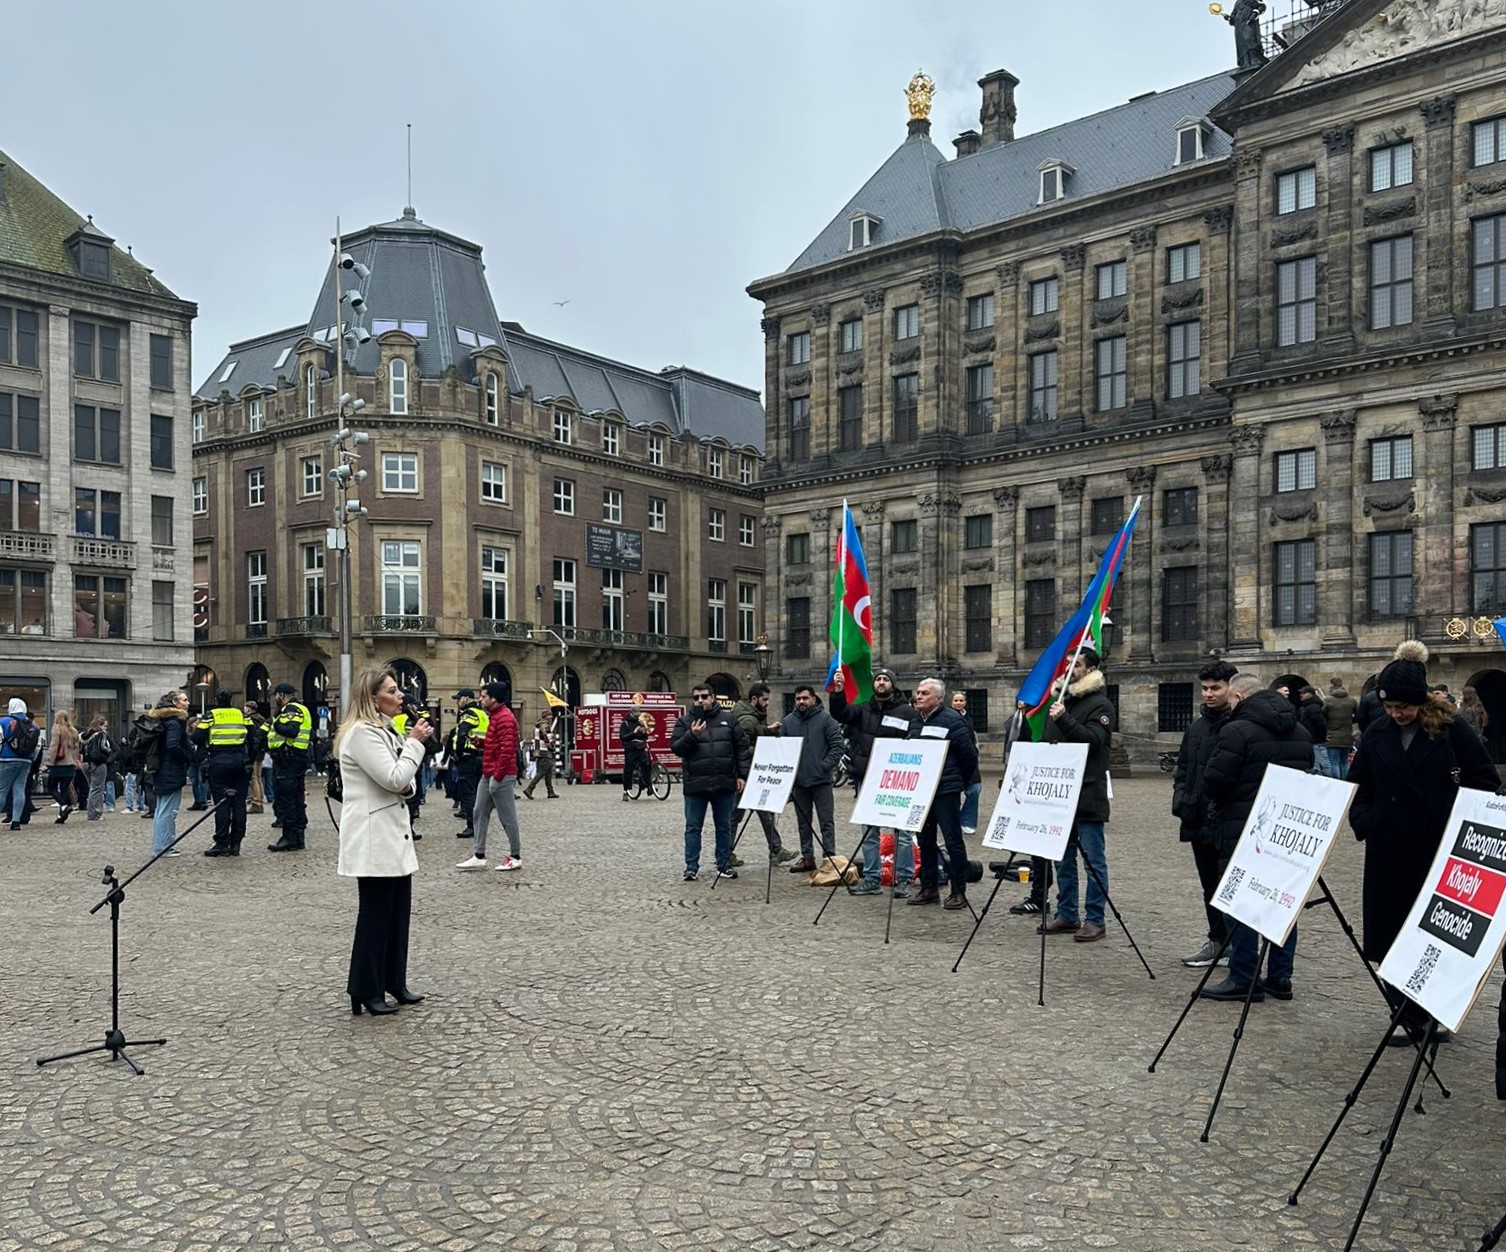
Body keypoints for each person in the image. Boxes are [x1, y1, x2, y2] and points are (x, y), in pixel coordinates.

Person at [1348, 641, 1500, 1041]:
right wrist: (1366, 820)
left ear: (1420, 701)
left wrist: (1461, 828)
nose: (1396, 714)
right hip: (1387, 849)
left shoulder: (1453, 731)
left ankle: (1432, 1013)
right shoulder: (1377, 732)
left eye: (1403, 707)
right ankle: (1403, 1010)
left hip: (1437, 852)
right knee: (1392, 933)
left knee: (1434, 936)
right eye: (1389, 707)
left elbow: (1485, 783)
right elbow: (1358, 786)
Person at [1198, 674, 1313, 1002]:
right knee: (1282, 900)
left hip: (1244, 827)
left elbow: (1215, 781)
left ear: (1237, 696)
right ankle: (1280, 975)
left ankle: (1243, 976)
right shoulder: (1301, 732)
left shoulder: (1236, 730)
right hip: (1284, 831)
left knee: (1241, 902)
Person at [336, 666, 434, 1016]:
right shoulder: (362, 733)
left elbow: (404, 783)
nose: (400, 696)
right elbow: (395, 778)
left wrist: (405, 770)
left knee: (397, 914)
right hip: (373, 835)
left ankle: (394, 980)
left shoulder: (384, 730)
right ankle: (365, 987)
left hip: (392, 833)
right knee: (376, 915)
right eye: (392, 691)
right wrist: (414, 745)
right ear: (372, 697)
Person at [1036, 650, 1116, 940]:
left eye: (1077, 664)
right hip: (1059, 797)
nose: (1070, 667)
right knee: (1062, 859)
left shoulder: (1101, 704)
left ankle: (1095, 918)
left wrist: (1065, 720)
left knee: (1093, 860)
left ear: (1091, 669)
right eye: (1068, 662)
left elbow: (1094, 742)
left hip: (1087, 793)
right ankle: (1067, 913)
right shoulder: (1059, 702)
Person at [1171, 660, 1238, 968]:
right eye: (1205, 688)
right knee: (1209, 884)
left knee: (1231, 887)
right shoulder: (1196, 726)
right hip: (1197, 816)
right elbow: (1183, 767)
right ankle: (1217, 939)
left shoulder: (1239, 725)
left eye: (1216, 688)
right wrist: (1181, 800)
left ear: (1231, 688)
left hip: (1227, 819)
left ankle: (1238, 946)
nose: (1209, 694)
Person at [831, 666, 919, 893]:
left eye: (885, 680)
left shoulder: (907, 712)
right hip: (867, 777)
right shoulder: (862, 710)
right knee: (870, 831)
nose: (881, 682)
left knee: (902, 832)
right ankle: (871, 878)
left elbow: (916, 741)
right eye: (878, 679)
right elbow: (840, 713)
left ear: (893, 684)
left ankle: (904, 879)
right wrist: (838, 691)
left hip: (896, 780)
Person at [905, 676, 979, 911]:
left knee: (952, 840)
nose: (919, 696)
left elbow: (969, 757)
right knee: (925, 840)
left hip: (945, 790)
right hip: (922, 791)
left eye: (925, 693)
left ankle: (958, 891)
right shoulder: (915, 720)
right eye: (918, 692)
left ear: (938, 698)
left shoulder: (952, 720)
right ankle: (929, 887)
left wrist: (958, 782)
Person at [671, 683, 750, 882]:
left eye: (704, 696)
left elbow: (741, 747)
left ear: (713, 697)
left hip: (723, 783)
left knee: (724, 826)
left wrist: (742, 775)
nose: (700, 701)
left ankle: (723, 864)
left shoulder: (729, 720)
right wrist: (692, 735)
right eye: (696, 697)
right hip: (695, 784)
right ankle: (691, 867)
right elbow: (677, 748)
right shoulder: (685, 721)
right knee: (693, 827)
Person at [456, 681, 522, 872]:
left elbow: (508, 751)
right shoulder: (495, 716)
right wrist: (482, 743)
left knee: (507, 817)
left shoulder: (505, 718)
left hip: (500, 774)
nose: (480, 699)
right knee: (478, 811)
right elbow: (499, 745)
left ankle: (515, 856)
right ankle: (479, 854)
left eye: (484, 696)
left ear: (494, 698)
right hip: (490, 772)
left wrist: (498, 777)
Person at [777, 685, 845, 870]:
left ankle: (829, 857)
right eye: (798, 698)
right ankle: (807, 857)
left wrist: (823, 766)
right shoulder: (788, 722)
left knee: (826, 822)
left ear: (813, 699)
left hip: (821, 781)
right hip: (799, 783)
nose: (801, 701)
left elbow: (838, 746)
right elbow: (782, 750)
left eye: (805, 698)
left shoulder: (826, 719)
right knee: (803, 823)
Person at [730, 683, 795, 864]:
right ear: (754, 699)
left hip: (749, 774)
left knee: (757, 814)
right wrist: (765, 747)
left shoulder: (751, 717)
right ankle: (727, 854)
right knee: (738, 815)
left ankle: (774, 849)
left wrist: (766, 731)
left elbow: (751, 737)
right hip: (746, 775)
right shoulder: (747, 720)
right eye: (764, 699)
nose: (767, 703)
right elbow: (741, 748)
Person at [194, 689, 250, 856]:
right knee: (239, 804)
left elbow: (196, 738)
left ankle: (222, 842)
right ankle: (236, 843)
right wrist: (250, 758)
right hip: (240, 761)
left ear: (217, 699)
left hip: (218, 761)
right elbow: (254, 737)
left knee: (222, 804)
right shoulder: (241, 714)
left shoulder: (211, 715)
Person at [148, 690, 195, 857]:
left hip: (164, 769)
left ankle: (163, 844)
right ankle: (162, 847)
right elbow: (173, 745)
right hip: (170, 770)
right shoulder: (174, 723)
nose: (188, 703)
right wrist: (187, 757)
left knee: (162, 809)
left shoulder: (165, 721)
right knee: (168, 810)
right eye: (184, 700)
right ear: (175, 703)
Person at [266, 682, 312, 852]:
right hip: (295, 758)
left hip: (288, 759)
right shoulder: (302, 708)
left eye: (275, 695)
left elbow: (291, 730)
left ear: (281, 695)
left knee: (287, 800)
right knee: (297, 798)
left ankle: (289, 837)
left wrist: (275, 723)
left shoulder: (291, 709)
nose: (275, 699)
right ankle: (298, 837)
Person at [391, 702, 437, 839]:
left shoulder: (392, 720)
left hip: (396, 759)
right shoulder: (411, 720)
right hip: (411, 760)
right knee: (411, 797)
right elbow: (427, 743)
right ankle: (408, 828)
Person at [448, 688, 488, 837]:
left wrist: (457, 753)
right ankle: (480, 824)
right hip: (481, 756)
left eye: (458, 699)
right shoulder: (482, 713)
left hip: (468, 756)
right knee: (479, 793)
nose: (458, 702)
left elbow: (462, 734)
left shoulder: (469, 714)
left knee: (468, 793)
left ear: (465, 698)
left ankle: (471, 825)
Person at [1, 697, 39, 830]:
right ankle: (16, 821)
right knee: (19, 789)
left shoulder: (4, 722)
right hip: (26, 760)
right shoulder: (34, 725)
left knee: (2, 790)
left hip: (6, 758)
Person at [951, 691, 984, 835]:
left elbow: (973, 737)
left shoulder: (969, 718)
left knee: (975, 790)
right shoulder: (948, 717)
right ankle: (952, 820)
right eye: (956, 700)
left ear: (965, 702)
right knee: (953, 794)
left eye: (961, 700)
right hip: (954, 761)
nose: (958, 702)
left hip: (970, 760)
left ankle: (967, 820)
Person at [42, 710, 82, 824]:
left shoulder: (57, 729)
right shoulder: (73, 731)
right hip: (70, 766)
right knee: (64, 789)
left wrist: (48, 763)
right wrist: (76, 761)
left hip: (59, 765)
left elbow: (53, 747)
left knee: (52, 787)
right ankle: (62, 816)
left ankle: (64, 806)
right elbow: (76, 750)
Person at [79, 714, 113, 821]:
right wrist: (109, 751)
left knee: (92, 788)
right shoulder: (101, 734)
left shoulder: (85, 735)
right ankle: (95, 813)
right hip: (97, 763)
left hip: (85, 763)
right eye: (105, 726)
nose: (106, 728)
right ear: (100, 725)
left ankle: (91, 811)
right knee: (97, 789)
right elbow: (103, 747)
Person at [619, 694, 652, 800]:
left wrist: (644, 732)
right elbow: (623, 737)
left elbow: (645, 736)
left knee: (646, 766)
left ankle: (648, 785)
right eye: (636, 714)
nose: (637, 716)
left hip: (640, 748)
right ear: (631, 713)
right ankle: (626, 791)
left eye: (639, 714)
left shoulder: (640, 722)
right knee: (628, 769)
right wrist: (634, 733)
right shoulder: (625, 724)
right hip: (630, 749)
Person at [1324, 678, 1357, 780]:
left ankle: (1338, 784)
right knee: (1344, 762)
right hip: (1347, 735)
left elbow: (1322, 717)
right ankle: (1346, 783)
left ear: (1332, 686)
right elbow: (1358, 715)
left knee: (1334, 762)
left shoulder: (1327, 701)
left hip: (1332, 736)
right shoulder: (1352, 700)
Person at [523, 712, 560, 799]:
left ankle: (550, 791)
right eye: (549, 717)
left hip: (539, 752)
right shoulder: (545, 726)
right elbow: (547, 738)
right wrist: (552, 746)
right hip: (545, 751)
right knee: (542, 772)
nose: (551, 719)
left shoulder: (538, 726)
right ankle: (529, 789)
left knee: (548, 772)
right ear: (546, 718)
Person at [1297, 685, 1330, 777]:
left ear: (1311, 694)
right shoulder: (1305, 707)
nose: (1301, 694)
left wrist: (1323, 736)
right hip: (1312, 739)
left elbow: (1320, 723)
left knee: (1323, 763)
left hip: (1316, 739)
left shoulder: (1313, 707)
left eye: (1304, 693)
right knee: (1317, 763)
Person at [243, 703, 268, 813]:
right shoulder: (262, 719)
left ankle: (256, 802)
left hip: (253, 751)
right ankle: (260, 800)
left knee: (254, 777)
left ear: (249, 708)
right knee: (258, 776)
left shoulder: (251, 720)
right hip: (261, 751)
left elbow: (250, 736)